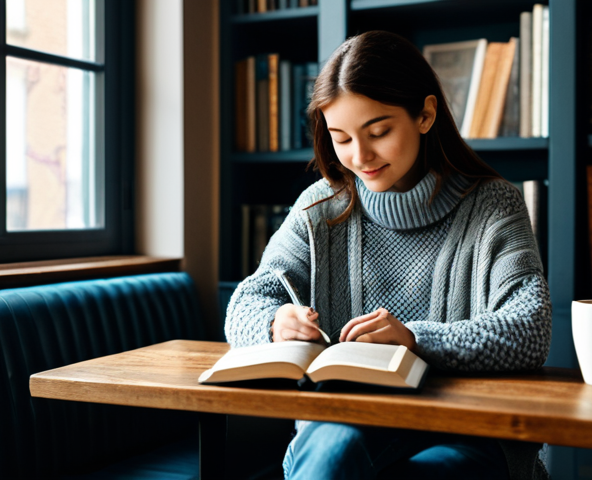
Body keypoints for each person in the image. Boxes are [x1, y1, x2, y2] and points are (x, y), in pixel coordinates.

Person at [225, 30, 552, 480]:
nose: (360, 157)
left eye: (378, 132)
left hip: (469, 428)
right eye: (341, 138)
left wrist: (415, 341)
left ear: (425, 114)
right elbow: (245, 303)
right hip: (349, 418)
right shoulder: (320, 207)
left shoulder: (494, 205)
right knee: (330, 455)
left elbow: (530, 329)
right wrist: (273, 322)